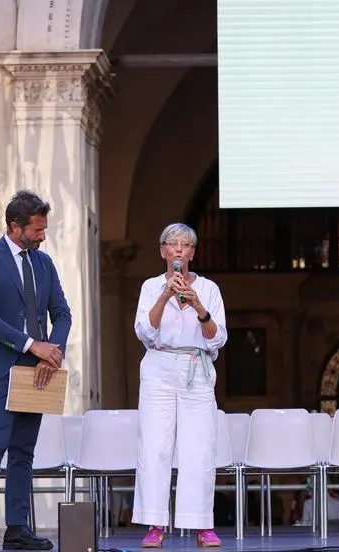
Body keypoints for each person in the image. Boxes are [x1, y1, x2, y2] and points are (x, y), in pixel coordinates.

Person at [0, 190, 71, 552]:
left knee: (24, 451)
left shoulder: (44, 263)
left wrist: (51, 351)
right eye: (37, 229)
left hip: (37, 371)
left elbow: (63, 313)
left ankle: (17, 528)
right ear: (15, 226)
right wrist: (31, 344)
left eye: (44, 228)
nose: (43, 235)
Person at [132, 223, 228, 548]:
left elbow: (219, 337)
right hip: (159, 367)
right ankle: (155, 524)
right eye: (172, 244)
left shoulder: (210, 289)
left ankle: (201, 525)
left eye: (185, 245)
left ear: (192, 253)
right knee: (155, 447)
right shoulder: (150, 287)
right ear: (162, 251)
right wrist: (166, 295)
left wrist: (199, 306)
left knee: (198, 449)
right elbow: (144, 332)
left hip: (196, 368)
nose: (178, 250)